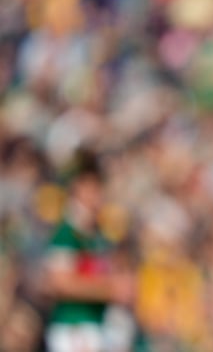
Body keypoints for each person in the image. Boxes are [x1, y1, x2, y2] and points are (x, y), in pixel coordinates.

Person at [40, 148, 137, 352]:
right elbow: (60, 282)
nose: (99, 195)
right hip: (74, 328)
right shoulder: (66, 234)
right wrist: (110, 289)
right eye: (94, 188)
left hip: (96, 326)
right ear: (79, 187)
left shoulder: (97, 235)